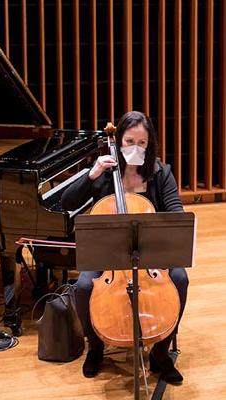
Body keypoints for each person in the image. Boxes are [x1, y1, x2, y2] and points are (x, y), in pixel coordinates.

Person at [61, 111, 188, 384]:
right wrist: (91, 175)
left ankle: (160, 352)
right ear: (118, 141)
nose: (135, 148)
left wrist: (161, 236)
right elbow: (67, 202)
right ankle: (95, 346)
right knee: (83, 286)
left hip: (151, 254)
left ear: (150, 143)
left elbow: (176, 213)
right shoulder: (105, 172)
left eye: (142, 143)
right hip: (109, 254)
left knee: (179, 278)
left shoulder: (161, 173)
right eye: (129, 141)